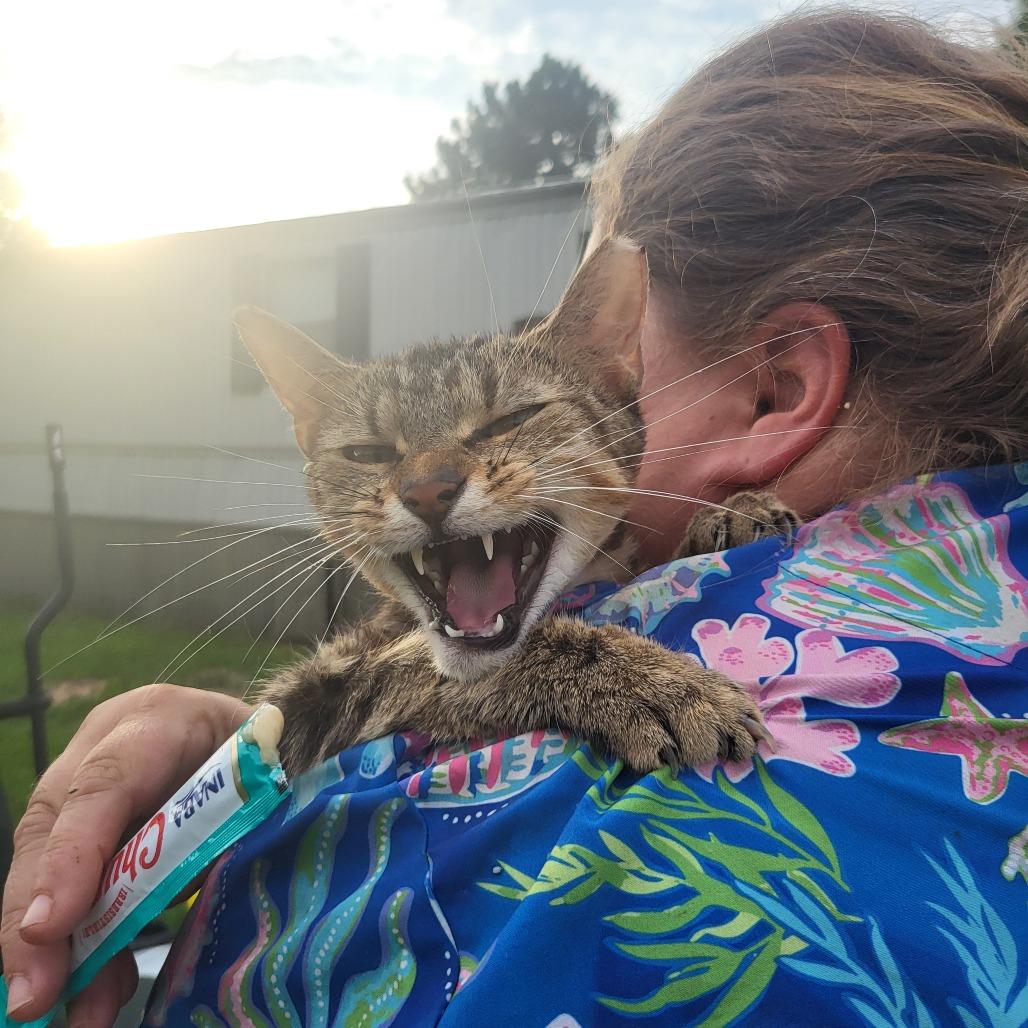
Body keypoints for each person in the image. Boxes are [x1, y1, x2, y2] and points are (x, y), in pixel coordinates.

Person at [5, 9, 1028, 1026]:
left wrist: (361, 756)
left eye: (626, 364)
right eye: (367, 453)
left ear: (772, 388)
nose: (423, 483)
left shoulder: (580, 824)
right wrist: (247, 754)